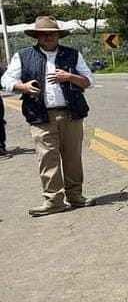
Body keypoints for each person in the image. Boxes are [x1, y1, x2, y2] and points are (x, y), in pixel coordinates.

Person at [1, 16, 96, 216]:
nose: (48, 37)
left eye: (52, 34)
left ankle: (75, 196)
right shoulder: (24, 56)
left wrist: (69, 77)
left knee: (72, 158)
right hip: (40, 115)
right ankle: (54, 201)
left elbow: (89, 81)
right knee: (47, 158)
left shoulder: (72, 55)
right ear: (37, 36)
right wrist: (23, 87)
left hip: (72, 114)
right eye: (43, 34)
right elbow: (6, 80)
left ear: (58, 35)